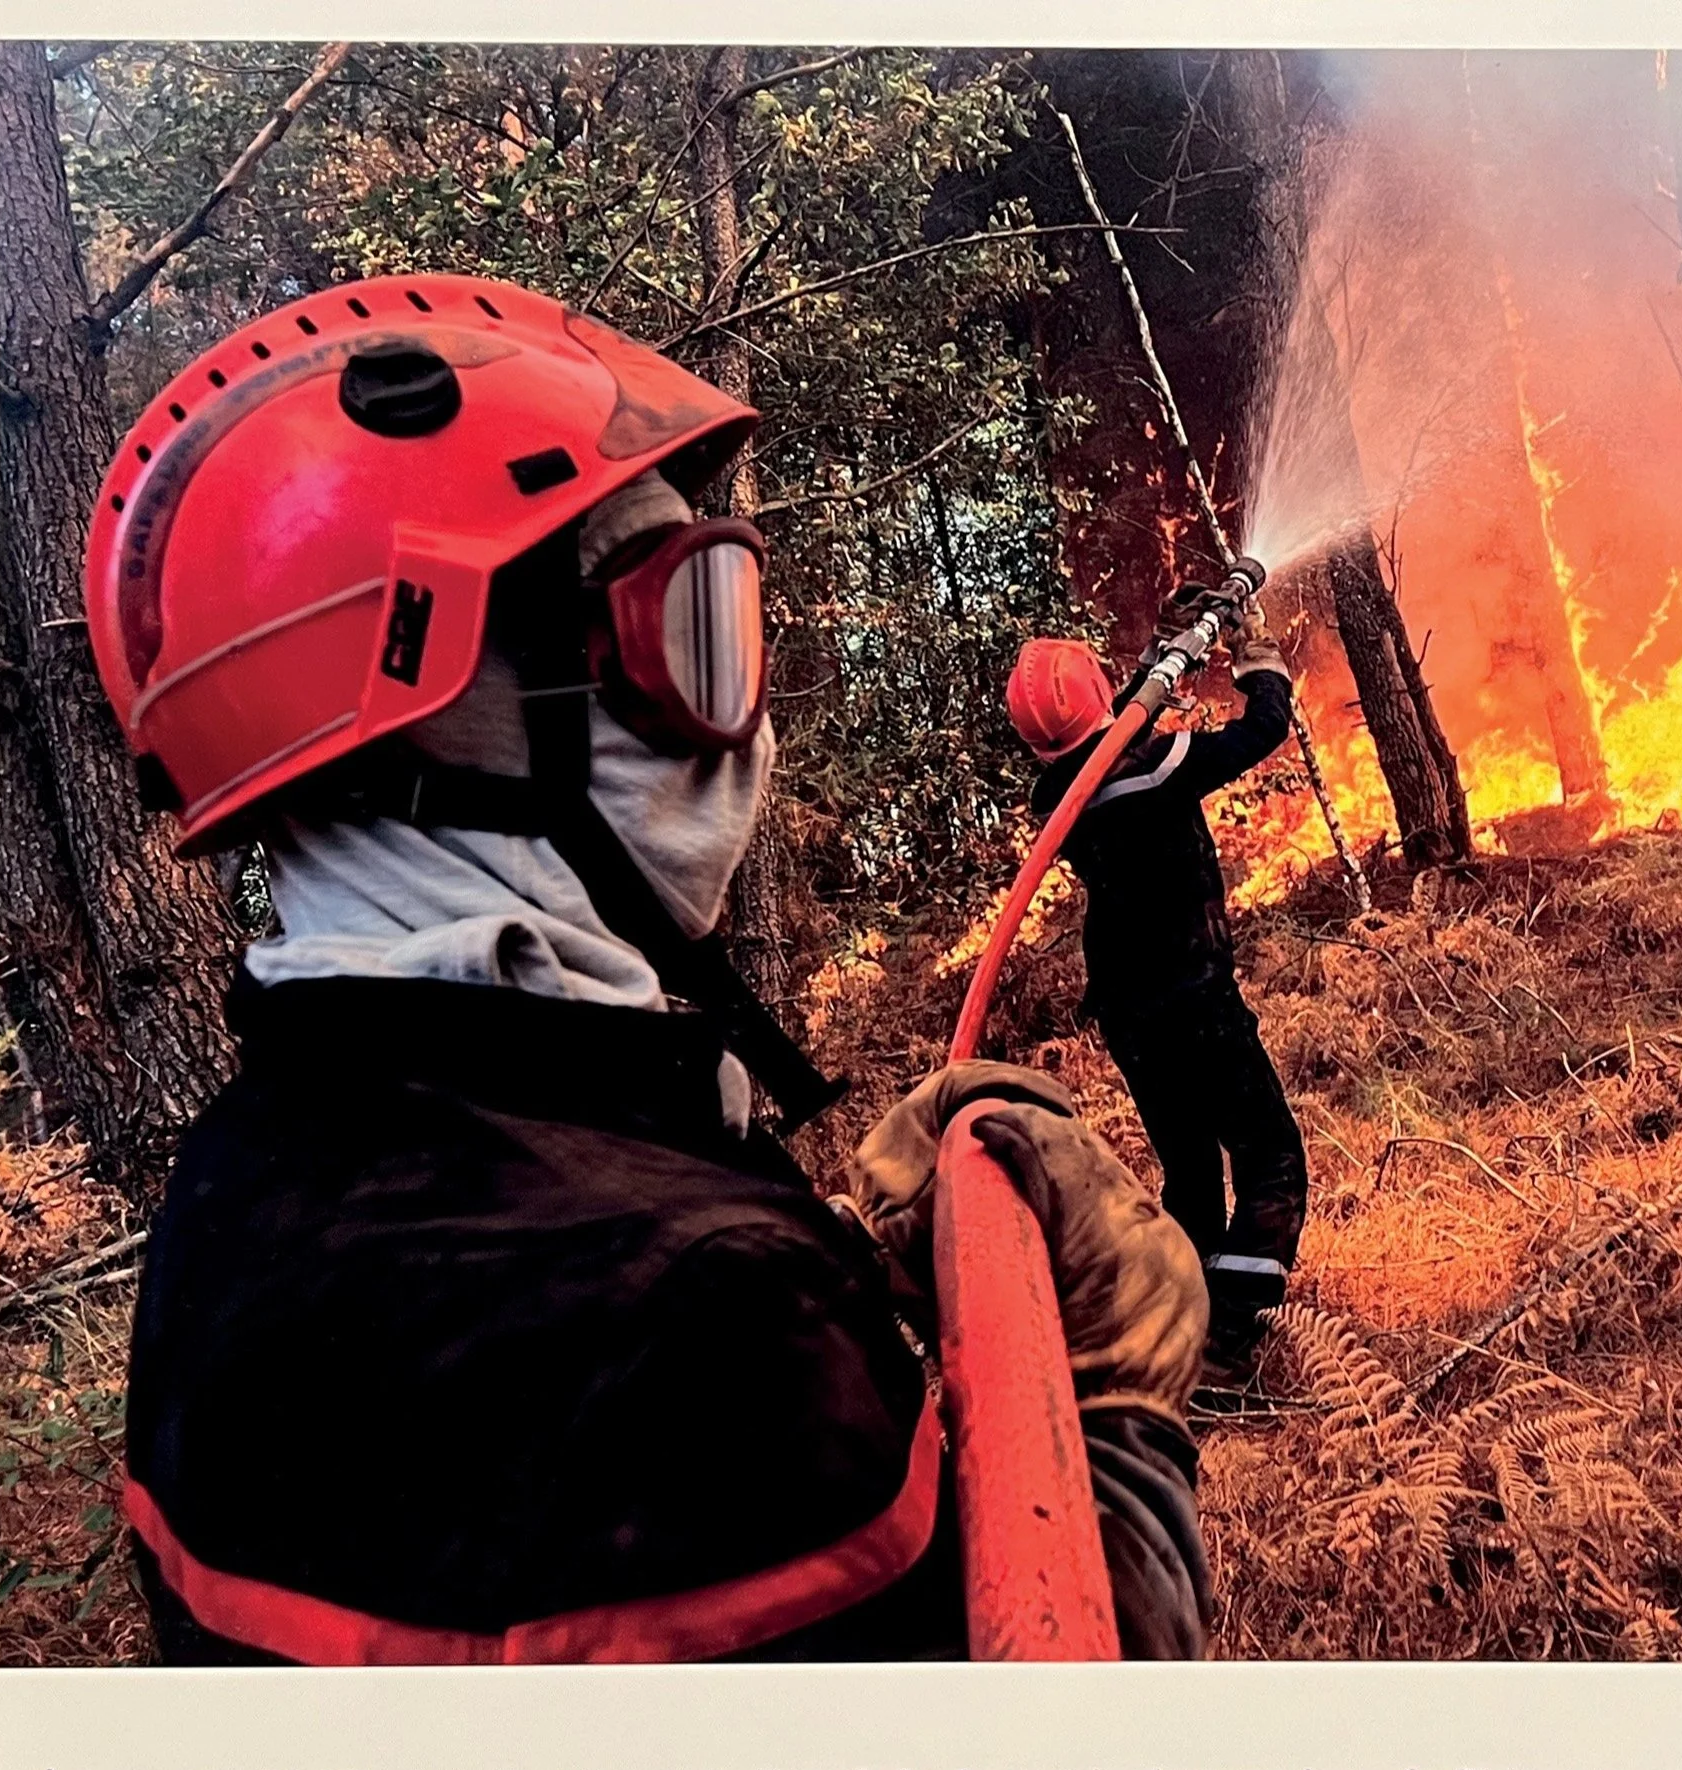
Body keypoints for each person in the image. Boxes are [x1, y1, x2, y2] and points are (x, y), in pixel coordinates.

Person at [82, 273, 1212, 1663]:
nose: (748, 729)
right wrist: (1108, 1411)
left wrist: (835, 1265)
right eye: (691, 628)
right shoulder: (703, 1326)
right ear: (446, 716)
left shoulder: (245, 1176)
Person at [1005, 601, 1312, 1370]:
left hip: (1130, 1013)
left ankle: (1177, 1326)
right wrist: (1259, 661)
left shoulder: (1059, 801)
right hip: (1195, 999)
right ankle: (1229, 1338)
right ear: (1098, 696)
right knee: (1271, 1159)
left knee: (1192, 1173)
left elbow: (1108, 731)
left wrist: (1162, 658)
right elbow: (1261, 730)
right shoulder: (1159, 771)